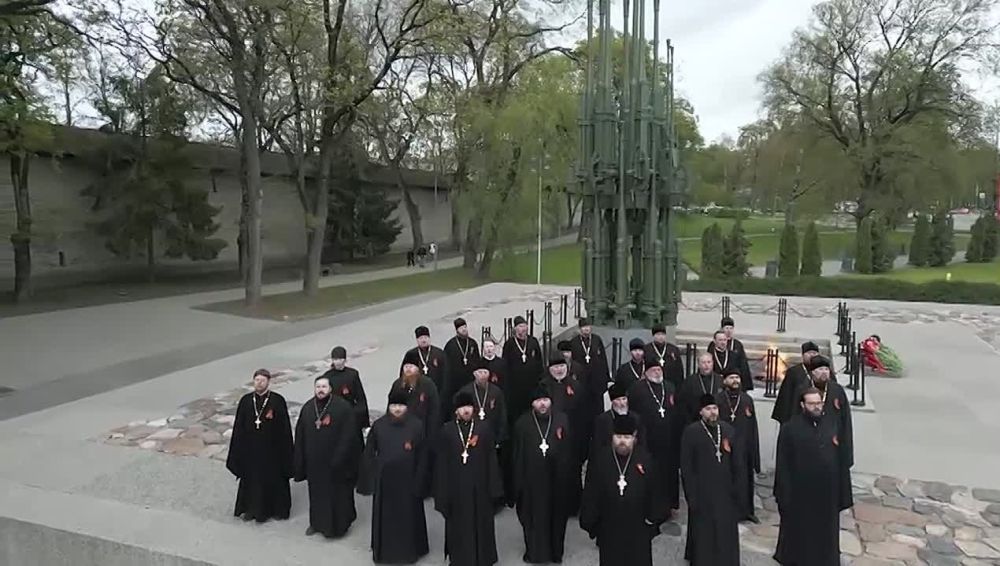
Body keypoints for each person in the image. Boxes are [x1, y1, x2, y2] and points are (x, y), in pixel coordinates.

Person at [773, 388, 854, 566]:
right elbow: (783, 464)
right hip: (801, 493)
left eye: (819, 403)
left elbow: (841, 457)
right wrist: (783, 494)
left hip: (827, 492)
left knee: (827, 533)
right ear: (803, 405)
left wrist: (843, 491)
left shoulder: (832, 424)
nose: (816, 407)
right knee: (802, 534)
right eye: (811, 404)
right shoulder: (790, 429)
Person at [579, 414, 667, 566]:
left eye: (627, 437)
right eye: (618, 436)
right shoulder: (601, 460)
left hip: (638, 530)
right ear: (612, 437)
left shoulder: (645, 460)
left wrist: (651, 523)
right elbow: (591, 494)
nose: (622, 441)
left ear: (634, 437)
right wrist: (593, 525)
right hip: (609, 529)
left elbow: (655, 493)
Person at [358, 387, 429, 564]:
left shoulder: (416, 425)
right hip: (385, 483)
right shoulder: (379, 425)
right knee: (386, 520)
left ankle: (410, 552)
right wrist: (372, 476)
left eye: (401, 405)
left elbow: (423, 454)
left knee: (409, 518)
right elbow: (369, 453)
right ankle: (385, 552)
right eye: (394, 405)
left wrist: (421, 479)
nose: (397, 409)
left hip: (408, 481)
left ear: (407, 407)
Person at [434, 391, 504, 566]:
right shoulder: (447, 430)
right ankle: (460, 559)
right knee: (458, 525)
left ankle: (483, 558)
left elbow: (491, 459)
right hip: (456, 488)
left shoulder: (484, 428)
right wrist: (441, 492)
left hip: (480, 486)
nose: (465, 410)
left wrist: (494, 488)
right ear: (456, 411)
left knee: (482, 523)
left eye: (468, 406)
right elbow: (441, 463)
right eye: (462, 407)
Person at [512, 385, 573, 564]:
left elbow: (569, 449)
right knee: (533, 518)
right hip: (532, 481)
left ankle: (556, 553)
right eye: (538, 401)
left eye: (545, 400)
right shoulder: (522, 424)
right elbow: (517, 456)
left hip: (557, 479)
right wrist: (518, 484)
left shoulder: (562, 419)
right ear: (533, 404)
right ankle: (535, 553)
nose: (543, 404)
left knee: (557, 517)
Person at [294, 375, 361, 538]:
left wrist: (340, 456)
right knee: (316, 494)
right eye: (318, 387)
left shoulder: (343, 407)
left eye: (324, 387)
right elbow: (300, 434)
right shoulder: (308, 408)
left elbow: (349, 435)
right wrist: (301, 458)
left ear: (330, 389)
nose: (321, 390)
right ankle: (316, 523)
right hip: (314, 462)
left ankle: (340, 526)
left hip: (337, 461)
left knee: (338, 494)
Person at [680, 394, 742, 566]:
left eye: (714, 408)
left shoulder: (728, 430)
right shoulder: (691, 432)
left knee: (725, 527)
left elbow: (737, 462)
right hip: (702, 490)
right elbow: (686, 466)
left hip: (725, 490)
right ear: (701, 412)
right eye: (708, 409)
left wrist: (737, 488)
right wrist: (691, 495)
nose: (712, 412)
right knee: (704, 530)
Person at [226, 368, 294, 523]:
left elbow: (284, 428)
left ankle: (274, 510)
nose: (259, 383)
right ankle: (251, 510)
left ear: (268, 382)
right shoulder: (246, 401)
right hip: (251, 450)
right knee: (252, 481)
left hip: (272, 450)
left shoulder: (277, 400)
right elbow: (239, 427)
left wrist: (287, 453)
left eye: (263, 380)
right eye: (257, 380)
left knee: (273, 479)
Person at [627, 359, 680, 515]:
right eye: (653, 370)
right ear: (646, 372)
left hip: (668, 439)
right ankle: (649, 506)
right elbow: (632, 413)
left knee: (667, 474)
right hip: (648, 439)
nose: (657, 372)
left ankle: (667, 506)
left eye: (659, 369)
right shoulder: (636, 389)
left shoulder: (670, 387)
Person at [540, 355, 587, 515]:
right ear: (550, 369)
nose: (559, 370)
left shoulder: (576, 386)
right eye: (555, 367)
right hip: (549, 436)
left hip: (572, 437)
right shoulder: (543, 386)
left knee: (571, 472)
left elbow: (583, 414)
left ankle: (573, 506)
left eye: (562, 366)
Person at [716, 370, 761, 523]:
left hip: (743, 446)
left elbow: (753, 426)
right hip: (723, 446)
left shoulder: (747, 399)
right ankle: (725, 511)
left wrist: (754, 452)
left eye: (737, 377)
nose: (735, 380)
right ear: (724, 380)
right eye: (731, 378)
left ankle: (746, 511)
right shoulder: (718, 399)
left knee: (744, 480)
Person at [320, 346, 370, 482]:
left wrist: (361, 419)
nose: (338, 362)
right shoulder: (327, 377)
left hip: (351, 414)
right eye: (335, 359)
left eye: (341, 359)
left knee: (355, 446)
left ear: (345, 360)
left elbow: (360, 397)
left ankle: (359, 475)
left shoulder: (352, 374)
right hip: (335, 416)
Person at [569, 318, 611, 435]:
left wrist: (606, 377)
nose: (586, 329)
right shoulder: (574, 342)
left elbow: (603, 358)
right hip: (582, 380)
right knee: (583, 408)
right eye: (583, 327)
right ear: (579, 329)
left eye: (588, 326)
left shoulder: (597, 339)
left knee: (598, 407)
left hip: (596, 379)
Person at [502, 315, 543, 429]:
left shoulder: (533, 341)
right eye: (520, 326)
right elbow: (505, 365)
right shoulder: (509, 344)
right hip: (516, 387)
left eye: (525, 326)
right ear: (515, 328)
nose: (524, 329)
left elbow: (539, 361)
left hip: (532, 385)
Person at [401, 326, 448, 421]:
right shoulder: (411, 354)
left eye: (425, 337)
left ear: (429, 338)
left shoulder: (439, 353)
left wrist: (443, 395)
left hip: (436, 394)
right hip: (416, 397)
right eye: (421, 338)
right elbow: (404, 374)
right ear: (417, 340)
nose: (423, 340)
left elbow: (446, 375)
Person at [458, 358, 508, 445]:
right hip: (472, 434)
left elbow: (502, 415)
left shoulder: (496, 391)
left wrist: (500, 437)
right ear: (474, 374)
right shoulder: (465, 392)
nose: (483, 375)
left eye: (485, 372)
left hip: (492, 433)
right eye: (480, 372)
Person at [590, 381, 646, 458]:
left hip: (632, 458)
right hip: (609, 458)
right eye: (618, 400)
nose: (622, 403)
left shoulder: (636, 418)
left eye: (624, 399)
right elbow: (598, 445)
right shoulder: (602, 420)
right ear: (612, 401)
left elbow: (642, 443)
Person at [391, 360, 441, 445]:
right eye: (406, 367)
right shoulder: (397, 385)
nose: (408, 369)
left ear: (417, 369)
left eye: (411, 367)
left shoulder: (428, 385)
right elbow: (391, 406)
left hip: (423, 430)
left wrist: (431, 433)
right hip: (402, 429)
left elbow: (434, 410)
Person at [772, 341, 820, 424]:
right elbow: (785, 396)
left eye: (814, 353)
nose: (812, 355)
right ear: (803, 355)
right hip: (796, 413)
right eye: (809, 353)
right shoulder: (794, 372)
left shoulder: (824, 371)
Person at [444, 318, 480, 417]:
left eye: (465, 327)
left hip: (470, 381)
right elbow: (447, 365)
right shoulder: (450, 345)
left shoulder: (472, 343)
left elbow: (477, 361)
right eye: (461, 328)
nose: (464, 329)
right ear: (457, 330)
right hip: (456, 384)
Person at [678, 353, 724, 424]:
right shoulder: (690, 381)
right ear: (698, 365)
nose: (706, 365)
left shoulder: (720, 380)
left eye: (709, 362)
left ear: (713, 363)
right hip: (695, 420)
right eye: (703, 362)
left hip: (716, 420)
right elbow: (684, 403)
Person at [715, 316, 753, 390]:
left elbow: (743, 365)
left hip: (733, 379)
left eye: (731, 328)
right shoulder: (715, 344)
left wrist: (746, 385)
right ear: (722, 329)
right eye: (726, 328)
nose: (729, 331)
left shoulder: (737, 345)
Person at [645, 324, 685, 390]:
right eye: (658, 334)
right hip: (652, 383)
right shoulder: (647, 349)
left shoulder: (673, 349)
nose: (660, 337)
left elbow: (679, 369)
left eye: (663, 334)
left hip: (670, 382)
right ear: (653, 335)